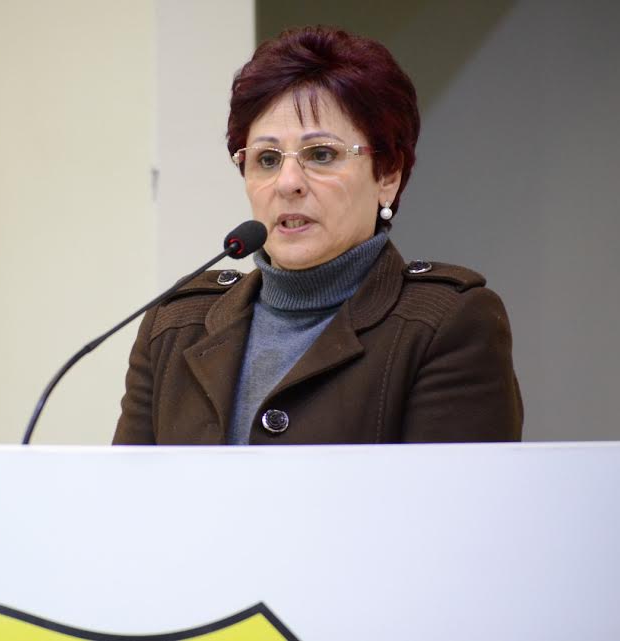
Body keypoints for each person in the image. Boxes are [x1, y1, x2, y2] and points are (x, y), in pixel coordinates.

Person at [113, 26, 522, 445]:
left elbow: (452, 490)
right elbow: (129, 488)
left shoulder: (448, 324)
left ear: (387, 175)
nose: (288, 182)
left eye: (321, 154)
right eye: (267, 159)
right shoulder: (173, 325)